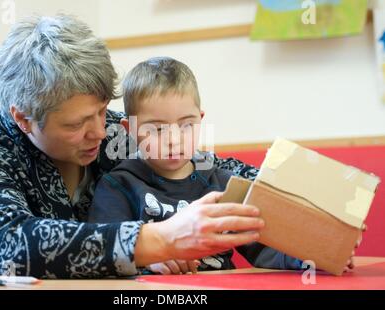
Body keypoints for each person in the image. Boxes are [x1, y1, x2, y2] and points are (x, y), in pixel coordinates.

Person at [0, 15, 267, 279]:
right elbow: (14, 247)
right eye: (76, 124)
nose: (100, 131)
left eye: (103, 110)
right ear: (24, 119)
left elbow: (211, 167)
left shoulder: (113, 129)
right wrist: (157, 242)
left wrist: (281, 184)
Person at [89, 57, 306, 274]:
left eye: (186, 125)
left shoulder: (222, 182)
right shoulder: (117, 186)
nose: (174, 139)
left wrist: (307, 258)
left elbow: (263, 246)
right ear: (130, 129)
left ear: (200, 119)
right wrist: (145, 261)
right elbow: (104, 255)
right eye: (157, 129)